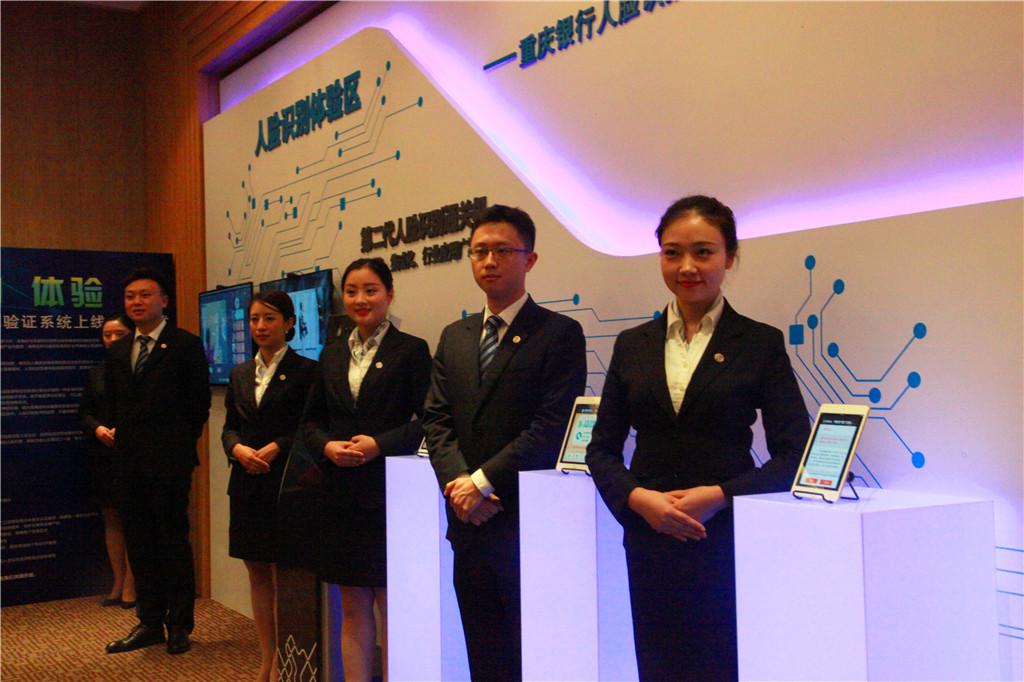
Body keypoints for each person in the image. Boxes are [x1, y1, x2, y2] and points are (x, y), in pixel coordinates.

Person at [585, 195, 811, 681]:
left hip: (726, 538)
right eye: (673, 253)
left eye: (703, 252)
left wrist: (721, 495)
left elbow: (795, 454)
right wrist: (639, 500)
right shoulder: (632, 344)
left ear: (730, 256)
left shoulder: (760, 343)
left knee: (723, 664)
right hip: (649, 538)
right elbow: (600, 449)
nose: (687, 267)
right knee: (657, 665)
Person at [423, 204, 587, 682]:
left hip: (523, 521)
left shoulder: (559, 334)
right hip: (467, 522)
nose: (489, 261)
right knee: (483, 652)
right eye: (479, 252)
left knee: (530, 656)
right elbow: (436, 419)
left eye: (502, 251)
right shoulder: (455, 336)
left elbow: (550, 425)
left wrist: (481, 484)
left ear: (529, 259)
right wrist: (459, 487)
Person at [302, 258, 431, 682]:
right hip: (340, 495)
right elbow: (310, 422)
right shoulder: (331, 353)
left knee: (391, 606)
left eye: (370, 290)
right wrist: (327, 446)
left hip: (391, 494)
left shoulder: (411, 350)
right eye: (352, 291)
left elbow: (431, 421)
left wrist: (380, 444)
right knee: (352, 605)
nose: (360, 299)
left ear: (389, 295)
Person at [104, 268, 211, 656]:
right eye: (130, 296)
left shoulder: (185, 345)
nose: (136, 302)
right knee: (140, 543)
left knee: (172, 542)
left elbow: (198, 406)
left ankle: (179, 623)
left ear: (164, 300)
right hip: (128, 465)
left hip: (169, 464)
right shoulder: (119, 349)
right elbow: (115, 404)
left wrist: (174, 449)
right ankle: (149, 621)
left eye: (145, 295)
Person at [222, 291, 317, 682]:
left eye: (270, 318)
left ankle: (286, 661)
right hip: (246, 484)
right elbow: (229, 427)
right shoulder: (239, 373)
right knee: (257, 573)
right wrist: (237, 449)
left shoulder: (307, 371)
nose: (260, 326)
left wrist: (279, 445)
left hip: (286, 486)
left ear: (289, 323)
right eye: (255, 319)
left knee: (284, 574)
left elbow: (311, 427)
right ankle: (267, 658)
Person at [79, 315, 136, 609]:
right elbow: (84, 412)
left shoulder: (140, 369)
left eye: (119, 334)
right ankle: (117, 580)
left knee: (134, 518)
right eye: (107, 335)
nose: (112, 340)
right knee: (112, 517)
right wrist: (98, 428)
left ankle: (132, 584)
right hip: (103, 453)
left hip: (133, 453)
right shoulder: (97, 372)